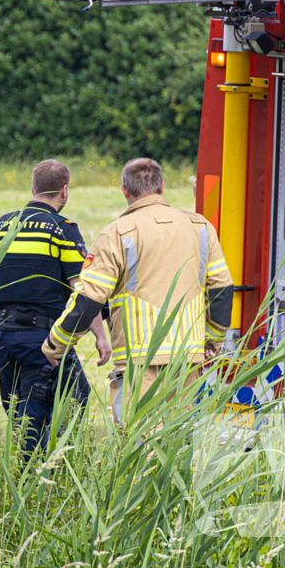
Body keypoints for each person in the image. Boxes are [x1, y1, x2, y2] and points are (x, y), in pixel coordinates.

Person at [43, 158, 234, 424]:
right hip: (187, 356)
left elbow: (89, 299)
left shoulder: (116, 233)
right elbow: (221, 290)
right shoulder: (201, 227)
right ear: (162, 187)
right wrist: (211, 342)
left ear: (124, 191)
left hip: (138, 359)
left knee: (137, 445)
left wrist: (57, 344)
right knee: (179, 444)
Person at [0, 159, 112, 460]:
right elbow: (82, 289)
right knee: (65, 401)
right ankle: (41, 479)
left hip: (3, 335)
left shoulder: (0, 226)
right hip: (42, 339)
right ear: (64, 191)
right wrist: (101, 336)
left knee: (18, 411)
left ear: (32, 188)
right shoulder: (61, 230)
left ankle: (31, 473)